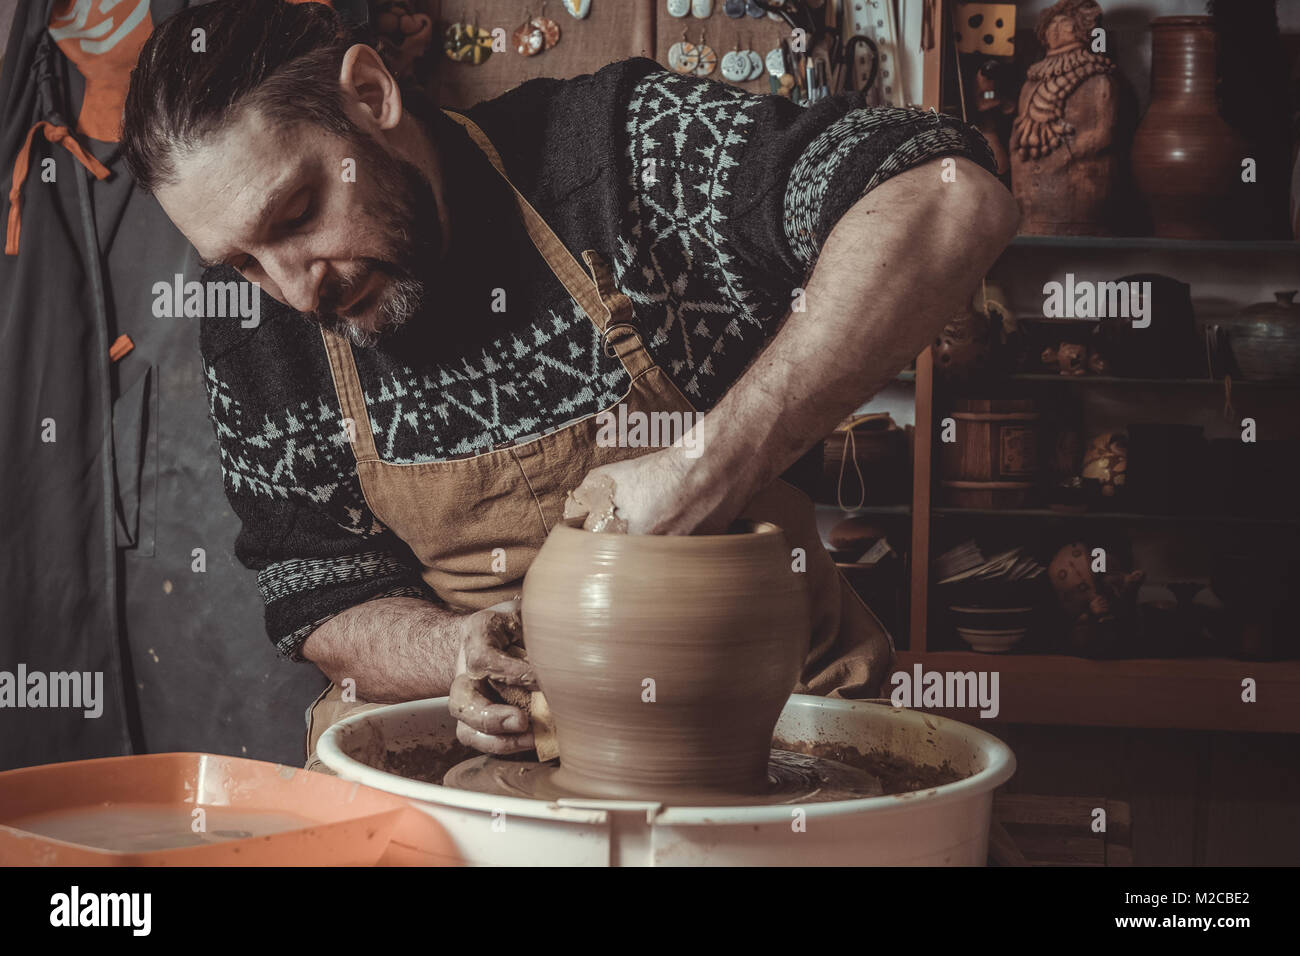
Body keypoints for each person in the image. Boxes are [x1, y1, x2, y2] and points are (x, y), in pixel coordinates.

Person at [121, 0, 1018, 767]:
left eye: (298, 214)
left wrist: (704, 468)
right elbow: (318, 590)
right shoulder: (260, 332)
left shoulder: (619, 154)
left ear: (370, 97)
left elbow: (948, 193)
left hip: (761, 710)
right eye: (241, 260)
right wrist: (452, 649)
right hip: (489, 739)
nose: (294, 289)